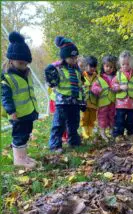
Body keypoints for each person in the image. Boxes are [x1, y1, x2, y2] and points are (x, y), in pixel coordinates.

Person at [2, 32, 39, 168]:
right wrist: (11, 111)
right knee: (19, 135)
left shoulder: (26, 73)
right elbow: (5, 97)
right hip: (17, 114)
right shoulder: (7, 77)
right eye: (20, 63)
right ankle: (19, 160)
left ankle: (23, 156)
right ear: (11, 60)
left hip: (28, 112)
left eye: (25, 63)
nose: (23, 66)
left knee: (25, 134)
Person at [44, 36, 85, 153]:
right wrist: (49, 73)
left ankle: (73, 141)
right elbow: (52, 84)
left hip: (75, 102)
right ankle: (55, 145)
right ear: (64, 57)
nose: (74, 59)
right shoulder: (58, 69)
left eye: (75, 57)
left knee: (74, 123)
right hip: (62, 102)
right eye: (71, 57)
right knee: (58, 124)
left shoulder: (77, 70)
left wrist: (82, 101)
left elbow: (80, 86)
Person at [112, 51, 133, 140]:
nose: (125, 66)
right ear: (120, 64)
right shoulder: (118, 75)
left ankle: (131, 134)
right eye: (123, 64)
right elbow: (113, 86)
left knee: (131, 120)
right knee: (119, 120)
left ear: (131, 63)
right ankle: (119, 135)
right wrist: (120, 87)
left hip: (132, 103)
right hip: (120, 103)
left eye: (127, 64)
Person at [92, 55, 118, 141]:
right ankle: (102, 132)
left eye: (111, 67)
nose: (109, 68)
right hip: (103, 103)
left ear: (114, 68)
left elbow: (118, 86)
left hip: (113, 102)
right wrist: (98, 89)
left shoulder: (116, 77)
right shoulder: (99, 78)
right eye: (107, 66)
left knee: (113, 116)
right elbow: (94, 87)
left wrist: (117, 88)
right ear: (103, 66)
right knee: (102, 117)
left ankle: (111, 131)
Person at [80, 56, 101, 140]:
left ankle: (90, 132)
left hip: (93, 102)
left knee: (92, 118)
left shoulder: (97, 77)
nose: (92, 68)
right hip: (84, 101)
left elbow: (100, 87)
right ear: (86, 66)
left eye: (94, 66)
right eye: (90, 66)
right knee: (84, 117)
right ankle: (85, 133)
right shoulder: (82, 75)